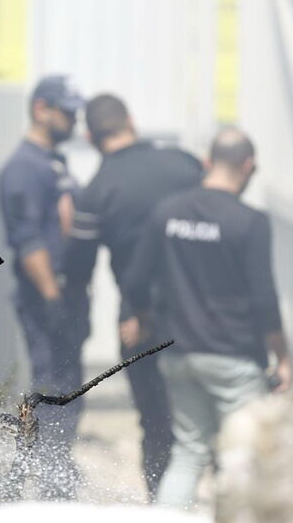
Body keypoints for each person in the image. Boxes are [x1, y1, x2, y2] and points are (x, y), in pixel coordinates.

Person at [124, 127, 293, 508]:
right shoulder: (249, 221)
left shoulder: (167, 212)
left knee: (188, 452)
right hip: (235, 359)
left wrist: (144, 319)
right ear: (248, 165)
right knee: (243, 457)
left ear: (207, 161)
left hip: (179, 354)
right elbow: (264, 297)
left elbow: (135, 279)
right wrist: (282, 357)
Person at [63, 93, 202, 500]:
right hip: (202, 312)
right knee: (205, 416)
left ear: (91, 138)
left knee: (156, 422)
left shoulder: (97, 191)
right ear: (131, 122)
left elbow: (77, 270)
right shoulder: (185, 164)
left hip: (139, 321)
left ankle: (162, 503)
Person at [0, 74, 88, 500]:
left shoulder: (53, 160)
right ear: (41, 109)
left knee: (70, 389)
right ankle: (52, 486)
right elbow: (27, 239)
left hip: (65, 296)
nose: (73, 120)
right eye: (67, 112)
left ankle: (58, 473)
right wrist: (52, 298)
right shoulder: (24, 167)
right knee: (53, 391)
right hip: (44, 299)